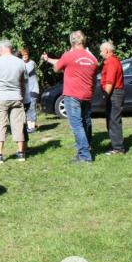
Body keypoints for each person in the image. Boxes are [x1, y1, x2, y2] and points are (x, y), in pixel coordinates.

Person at [42, 30, 99, 163]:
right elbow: (91, 75)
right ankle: (86, 145)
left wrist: (61, 61)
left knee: (76, 125)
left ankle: (84, 155)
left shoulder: (68, 55)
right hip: (87, 95)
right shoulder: (92, 58)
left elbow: (57, 68)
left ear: (72, 42)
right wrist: (49, 59)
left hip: (73, 95)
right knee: (85, 121)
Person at [0, 39, 28, 163]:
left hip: (0, 98)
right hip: (16, 97)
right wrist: (22, 95)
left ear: (1, 49)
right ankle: (21, 154)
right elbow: (23, 82)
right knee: (18, 125)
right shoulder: (21, 62)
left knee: (0, 125)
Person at [100, 41, 126, 155]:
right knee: (111, 120)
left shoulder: (111, 62)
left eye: (101, 51)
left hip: (114, 93)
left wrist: (105, 97)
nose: (100, 53)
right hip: (115, 93)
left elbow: (110, 82)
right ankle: (115, 146)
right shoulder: (113, 61)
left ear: (106, 50)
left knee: (113, 121)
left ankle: (118, 149)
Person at [20, 48, 40, 132]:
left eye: (26, 54)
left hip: (33, 89)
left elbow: (26, 72)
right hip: (25, 91)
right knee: (27, 108)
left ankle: (32, 126)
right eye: (23, 55)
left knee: (32, 108)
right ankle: (30, 126)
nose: (25, 56)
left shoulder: (31, 63)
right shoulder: (21, 63)